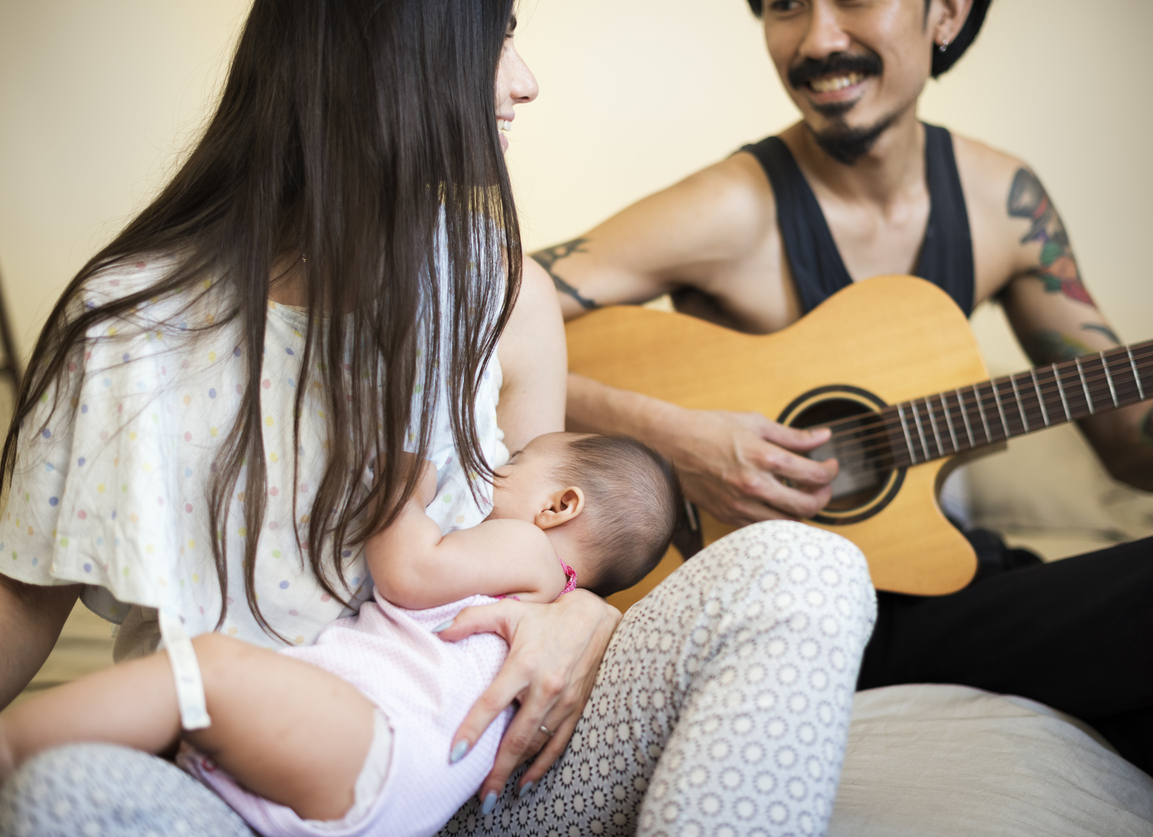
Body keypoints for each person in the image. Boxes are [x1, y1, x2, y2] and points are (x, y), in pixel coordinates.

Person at [0, 2, 880, 836]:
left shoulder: (504, 291)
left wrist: (581, 616)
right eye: (498, 37)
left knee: (807, 568)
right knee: (66, 789)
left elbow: (553, 542)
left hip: (493, 769)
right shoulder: (128, 326)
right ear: (394, 58)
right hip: (257, 789)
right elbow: (19, 605)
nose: (526, 81)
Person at [535, 0, 1153, 825]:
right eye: (783, 6)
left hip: (945, 581)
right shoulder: (733, 205)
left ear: (946, 12)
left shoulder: (1004, 203)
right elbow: (477, 317)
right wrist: (676, 438)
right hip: (808, 618)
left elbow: (1130, 443)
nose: (818, 39)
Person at [0, 431, 682, 836]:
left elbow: (411, 570)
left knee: (207, 671)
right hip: (380, 775)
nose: (489, 470)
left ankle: (10, 749)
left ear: (558, 505)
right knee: (210, 704)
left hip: (383, 751)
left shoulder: (531, 554)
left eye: (511, 464)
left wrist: (405, 485)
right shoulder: (537, 588)